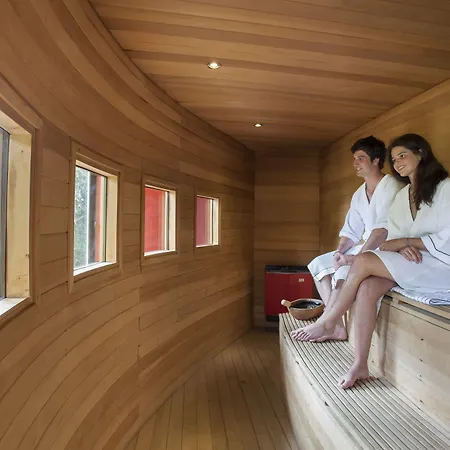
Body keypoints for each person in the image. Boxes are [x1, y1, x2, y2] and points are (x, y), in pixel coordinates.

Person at [293, 133, 450, 389]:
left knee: (364, 261)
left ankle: (329, 321)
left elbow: (446, 237)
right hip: (413, 261)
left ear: (421, 153)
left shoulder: (445, 188)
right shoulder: (404, 194)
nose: (397, 162)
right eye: (394, 158)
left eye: (403, 155)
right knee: (366, 287)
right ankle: (360, 364)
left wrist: (406, 243)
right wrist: (402, 246)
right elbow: (393, 236)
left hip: (440, 263)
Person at [295, 136, 401, 341]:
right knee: (319, 264)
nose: (355, 164)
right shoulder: (359, 194)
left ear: (376, 160)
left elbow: (381, 231)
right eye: (354, 159)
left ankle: (326, 321)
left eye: (361, 158)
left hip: (386, 247)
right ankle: (336, 325)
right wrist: (339, 252)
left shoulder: (392, 186)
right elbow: (350, 231)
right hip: (366, 245)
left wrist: (357, 258)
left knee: (344, 270)